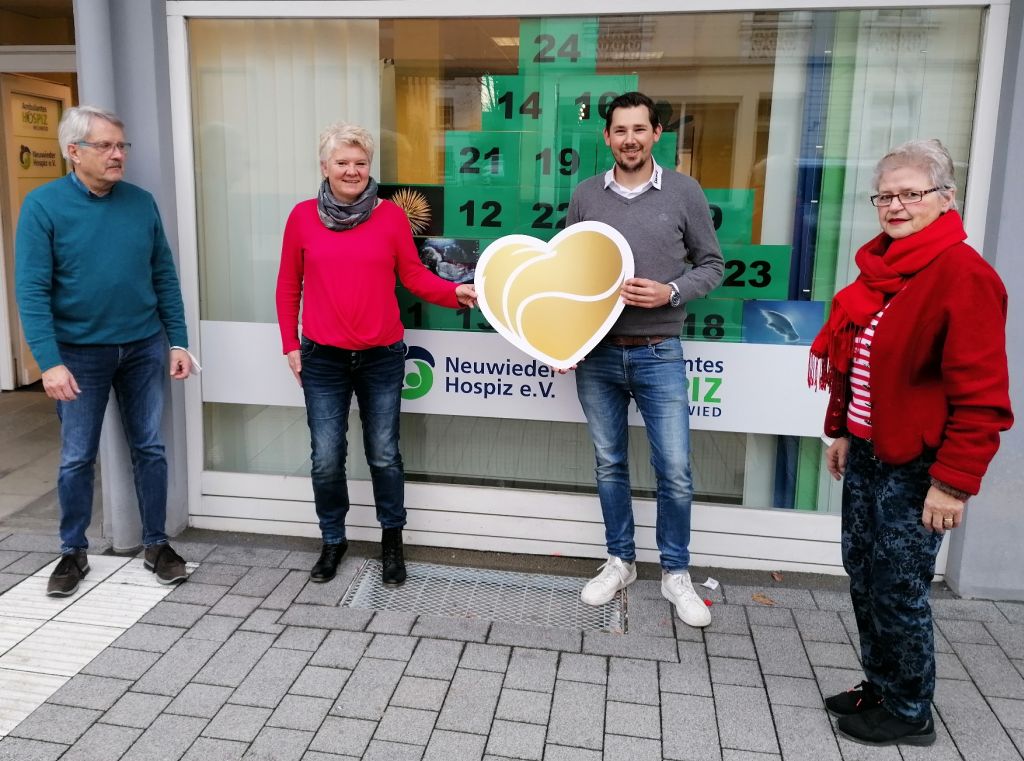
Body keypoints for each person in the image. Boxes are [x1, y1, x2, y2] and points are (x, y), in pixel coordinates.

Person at [809, 139, 1012, 746]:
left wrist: (952, 483)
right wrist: (842, 429)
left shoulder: (963, 276)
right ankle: (881, 682)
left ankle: (910, 709)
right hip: (870, 451)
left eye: (911, 194)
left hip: (920, 466)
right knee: (864, 573)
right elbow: (858, 362)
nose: (895, 206)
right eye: (886, 196)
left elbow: (983, 400)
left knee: (899, 588)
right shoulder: (883, 269)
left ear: (945, 199)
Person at [276, 123, 477, 585]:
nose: (352, 170)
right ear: (325, 167)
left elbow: (413, 276)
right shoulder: (302, 217)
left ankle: (392, 540)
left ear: (370, 168)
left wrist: (454, 293)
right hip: (323, 358)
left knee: (384, 454)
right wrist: (290, 343)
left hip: (382, 356)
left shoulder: (389, 217)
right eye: (342, 162)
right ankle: (333, 540)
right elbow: (288, 285)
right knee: (326, 456)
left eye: (360, 163)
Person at [15, 105, 194, 596]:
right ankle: (72, 550)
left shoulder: (140, 203)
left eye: (122, 146)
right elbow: (31, 290)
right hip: (77, 355)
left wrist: (177, 341)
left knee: (150, 448)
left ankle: (157, 544)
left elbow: (163, 275)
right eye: (107, 146)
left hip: (141, 346)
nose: (118, 155)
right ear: (74, 152)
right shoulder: (43, 205)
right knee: (76, 456)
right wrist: (48, 362)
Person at [565, 92, 724, 627]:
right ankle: (621, 561)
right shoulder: (586, 196)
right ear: (606, 137)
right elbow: (568, 276)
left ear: (657, 133)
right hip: (599, 356)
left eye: (640, 129)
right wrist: (563, 340)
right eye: (619, 130)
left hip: (660, 351)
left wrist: (671, 293)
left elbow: (712, 265)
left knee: (674, 470)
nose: (629, 139)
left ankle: (676, 573)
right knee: (610, 464)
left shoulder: (684, 191)